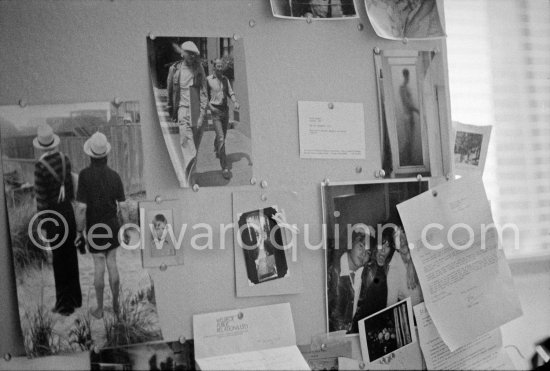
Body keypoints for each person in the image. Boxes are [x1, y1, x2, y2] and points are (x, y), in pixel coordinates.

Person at [74, 132, 128, 319]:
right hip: (112, 226)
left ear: (90, 154)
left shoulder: (84, 176)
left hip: (95, 228)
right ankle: (115, 305)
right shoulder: (115, 176)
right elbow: (123, 207)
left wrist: (79, 231)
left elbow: (81, 209)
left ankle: (99, 309)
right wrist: (126, 227)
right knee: (112, 263)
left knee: (99, 266)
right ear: (106, 154)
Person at [33, 124, 82, 316]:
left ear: (41, 146)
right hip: (67, 212)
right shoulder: (65, 159)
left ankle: (64, 305)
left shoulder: (39, 167)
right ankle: (76, 298)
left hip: (53, 217)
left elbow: (41, 199)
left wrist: (44, 226)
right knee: (71, 256)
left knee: (59, 261)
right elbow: (70, 190)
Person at [166, 41, 208, 186]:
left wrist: (202, 115)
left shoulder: (199, 68)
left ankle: (190, 175)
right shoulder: (175, 70)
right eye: (189, 54)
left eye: (194, 55)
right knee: (187, 146)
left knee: (193, 149)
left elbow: (203, 92)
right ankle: (191, 181)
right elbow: (170, 90)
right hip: (182, 110)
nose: (191, 57)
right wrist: (171, 109)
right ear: (182, 53)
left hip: (196, 110)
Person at [328, 228, 374, 333]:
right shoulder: (331, 271)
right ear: (351, 244)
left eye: (368, 253)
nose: (363, 254)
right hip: (330, 338)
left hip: (351, 336)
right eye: (361, 246)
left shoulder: (365, 275)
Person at [350, 227, 394, 333]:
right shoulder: (367, 268)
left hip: (381, 328)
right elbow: (359, 304)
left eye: (387, 246)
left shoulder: (391, 269)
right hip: (363, 328)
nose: (383, 249)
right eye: (381, 244)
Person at [206, 58, 240, 180]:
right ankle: (224, 167)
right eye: (218, 66)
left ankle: (216, 146)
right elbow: (204, 96)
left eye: (221, 66)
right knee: (221, 137)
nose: (220, 68)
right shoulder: (208, 80)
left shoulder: (225, 80)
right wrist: (210, 107)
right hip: (215, 112)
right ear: (214, 67)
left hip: (225, 111)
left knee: (222, 136)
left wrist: (235, 101)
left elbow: (230, 92)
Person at [386, 224, 423, 307]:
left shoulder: (418, 249)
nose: (402, 239)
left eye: (404, 233)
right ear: (394, 246)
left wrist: (412, 261)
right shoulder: (393, 271)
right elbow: (391, 305)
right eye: (397, 237)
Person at [399, 68, 421, 166]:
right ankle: (404, 161)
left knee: (411, 139)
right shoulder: (402, 88)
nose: (408, 77)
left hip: (410, 115)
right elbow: (407, 103)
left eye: (408, 75)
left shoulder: (407, 87)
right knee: (408, 140)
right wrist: (416, 110)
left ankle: (409, 161)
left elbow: (410, 101)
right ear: (405, 76)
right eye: (407, 75)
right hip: (407, 116)